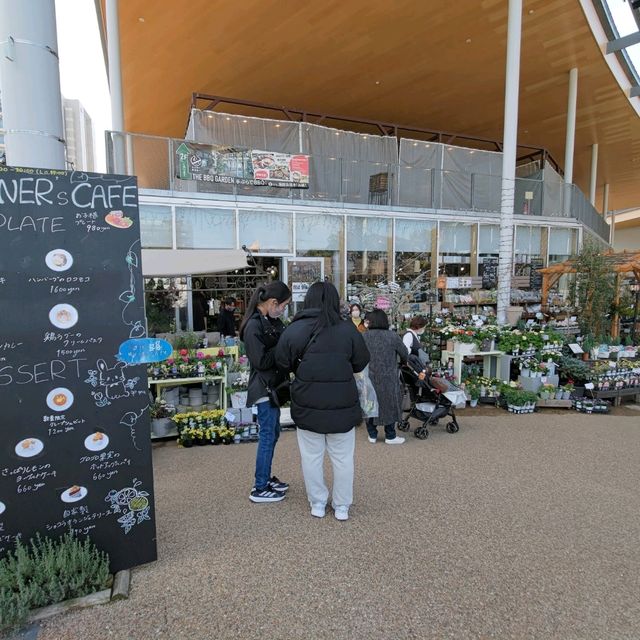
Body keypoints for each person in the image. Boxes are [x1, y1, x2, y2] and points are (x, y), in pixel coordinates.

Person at [276, 282, 369, 521]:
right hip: (343, 405)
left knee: (311, 457)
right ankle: (342, 506)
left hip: (307, 404)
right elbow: (361, 362)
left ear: (308, 300)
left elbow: (282, 362)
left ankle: (317, 503)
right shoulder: (348, 329)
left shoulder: (296, 329)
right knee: (343, 458)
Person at [239, 282, 292, 503]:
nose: (284, 310)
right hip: (263, 389)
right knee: (268, 436)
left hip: (271, 388)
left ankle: (266, 479)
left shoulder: (268, 321)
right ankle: (259, 487)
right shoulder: (253, 325)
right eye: (284, 306)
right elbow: (260, 361)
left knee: (272, 434)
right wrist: (282, 348)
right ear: (273, 303)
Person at [362, 309, 408, 445]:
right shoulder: (392, 336)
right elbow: (404, 353)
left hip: (369, 375)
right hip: (388, 376)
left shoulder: (364, 336)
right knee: (390, 404)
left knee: (370, 403)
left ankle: (372, 434)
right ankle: (390, 435)